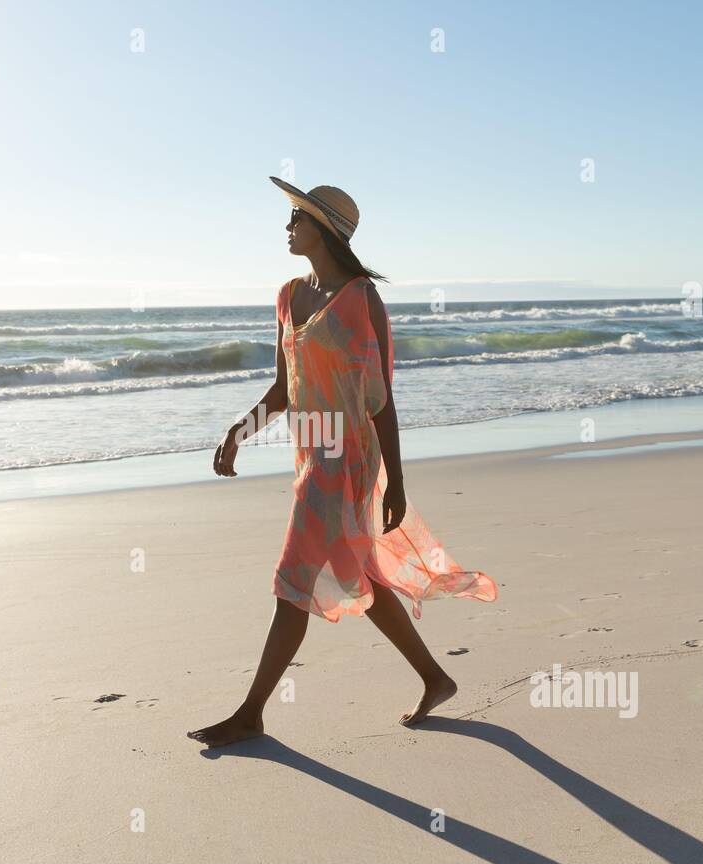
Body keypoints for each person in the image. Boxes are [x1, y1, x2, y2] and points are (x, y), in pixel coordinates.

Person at [187, 177, 498, 748]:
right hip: (309, 451)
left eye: (297, 218)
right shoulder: (287, 296)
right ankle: (435, 677)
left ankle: (251, 712)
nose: (288, 227)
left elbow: (379, 399)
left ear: (323, 229)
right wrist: (239, 432)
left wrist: (396, 482)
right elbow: (284, 388)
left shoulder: (360, 300)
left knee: (293, 581)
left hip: (348, 458)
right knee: (357, 576)